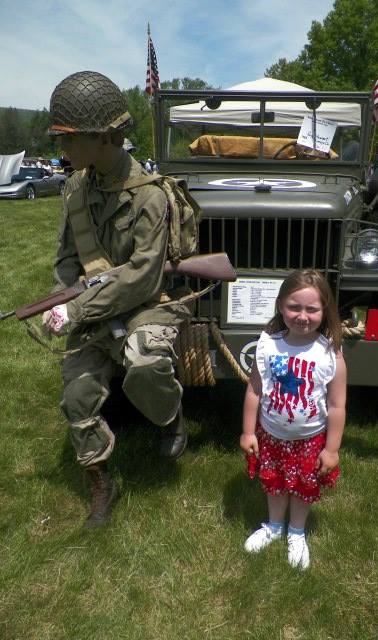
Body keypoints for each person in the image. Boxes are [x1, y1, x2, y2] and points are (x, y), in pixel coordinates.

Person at [42, 71, 191, 528]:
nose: (63, 148)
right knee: (77, 396)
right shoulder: (75, 189)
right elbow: (68, 259)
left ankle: (170, 417)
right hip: (94, 307)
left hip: (148, 303)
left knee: (145, 364)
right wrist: (59, 301)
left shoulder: (150, 196)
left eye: (69, 139)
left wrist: (76, 309)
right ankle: (100, 481)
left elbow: (144, 277)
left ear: (103, 138)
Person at [240, 269, 347, 570]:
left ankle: (297, 532)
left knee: (303, 486)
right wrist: (248, 432)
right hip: (272, 435)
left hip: (310, 440)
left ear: (325, 310)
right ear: (280, 306)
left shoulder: (331, 353)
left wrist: (332, 449)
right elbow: (254, 390)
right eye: (294, 307)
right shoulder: (267, 345)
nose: (302, 316)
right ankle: (274, 526)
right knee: (273, 482)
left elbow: (337, 406)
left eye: (312, 309)